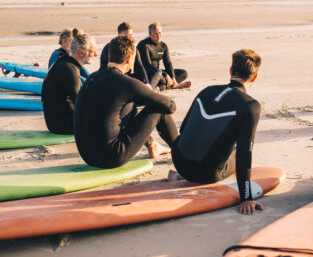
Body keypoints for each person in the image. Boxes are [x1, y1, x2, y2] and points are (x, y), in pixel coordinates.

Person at [170, 49, 263, 215]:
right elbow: (244, 153)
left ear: (230, 71)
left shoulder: (207, 90)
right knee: (237, 149)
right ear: (254, 77)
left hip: (179, 162)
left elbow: (184, 129)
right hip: (207, 174)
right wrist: (246, 197)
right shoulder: (251, 106)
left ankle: (184, 173)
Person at [74, 36, 178, 168]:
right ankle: (181, 152)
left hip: (87, 156)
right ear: (129, 59)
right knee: (159, 109)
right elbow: (170, 105)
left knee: (127, 108)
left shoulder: (92, 78)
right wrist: (151, 95)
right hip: (112, 157)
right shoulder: (126, 83)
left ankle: (153, 145)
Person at [41, 32, 97, 134]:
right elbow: (80, 102)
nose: (96, 55)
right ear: (81, 53)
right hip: (61, 124)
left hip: (56, 121)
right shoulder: (69, 69)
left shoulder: (66, 63)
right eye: (93, 51)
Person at [136, 22, 191, 90]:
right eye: (156, 33)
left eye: (160, 33)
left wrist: (173, 78)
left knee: (183, 73)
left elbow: (168, 63)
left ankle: (166, 85)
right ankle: (166, 85)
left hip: (159, 72)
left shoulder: (163, 46)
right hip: (147, 74)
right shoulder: (143, 45)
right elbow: (147, 65)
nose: (158, 35)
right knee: (159, 75)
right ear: (150, 34)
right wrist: (165, 75)